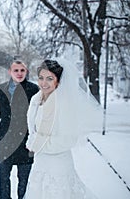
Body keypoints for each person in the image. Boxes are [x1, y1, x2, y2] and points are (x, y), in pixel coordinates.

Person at [24, 59, 102, 199]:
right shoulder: (36, 100)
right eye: (41, 78)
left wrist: (37, 143)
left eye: (49, 79)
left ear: (58, 81)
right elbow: (34, 129)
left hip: (58, 165)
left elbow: (68, 140)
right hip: (41, 162)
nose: (44, 83)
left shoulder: (64, 104)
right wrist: (33, 140)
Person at [0, 60, 39, 199]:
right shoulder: (1, 89)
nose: (19, 73)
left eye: (22, 70)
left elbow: (39, 115)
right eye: (16, 70)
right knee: (3, 179)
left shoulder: (34, 89)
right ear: (10, 72)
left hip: (25, 142)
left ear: (26, 72)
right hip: (5, 142)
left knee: (24, 181)